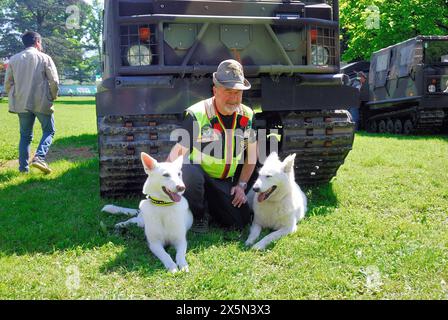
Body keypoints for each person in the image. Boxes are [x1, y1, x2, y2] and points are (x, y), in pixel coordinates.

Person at [167, 59, 258, 233]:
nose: (233, 98)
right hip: (196, 178)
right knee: (187, 169)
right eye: (228, 91)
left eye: (238, 93)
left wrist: (242, 185)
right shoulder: (197, 114)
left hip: (224, 181)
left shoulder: (247, 115)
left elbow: (252, 156)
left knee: (240, 221)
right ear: (215, 90)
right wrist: (165, 189)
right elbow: (175, 157)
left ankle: (210, 206)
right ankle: (199, 217)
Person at [4, 31, 59, 174]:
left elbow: (8, 84)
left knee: (25, 136)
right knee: (49, 130)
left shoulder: (14, 60)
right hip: (41, 101)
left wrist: (15, 96)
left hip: (22, 103)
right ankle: (39, 157)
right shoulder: (45, 58)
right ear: (37, 42)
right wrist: (53, 96)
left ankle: (23, 169)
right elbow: (54, 81)